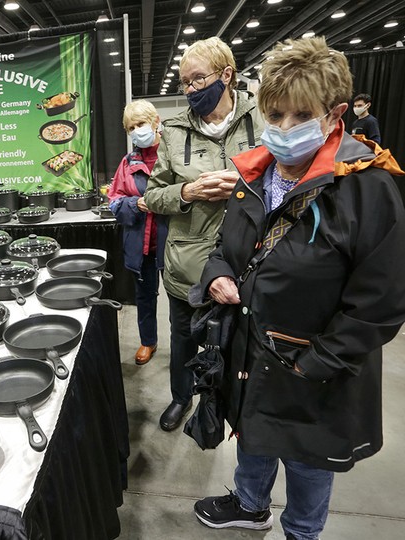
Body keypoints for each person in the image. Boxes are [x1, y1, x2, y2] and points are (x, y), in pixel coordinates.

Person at [193, 37, 405, 540]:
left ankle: (302, 531)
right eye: (275, 115)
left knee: (308, 459)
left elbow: (381, 302)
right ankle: (249, 504)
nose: (284, 129)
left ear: (334, 115)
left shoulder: (366, 188)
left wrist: (320, 362)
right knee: (252, 434)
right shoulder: (254, 175)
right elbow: (228, 247)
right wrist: (217, 272)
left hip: (315, 365)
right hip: (250, 347)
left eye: (299, 115)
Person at [143, 37, 263, 431]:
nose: (190, 89)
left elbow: (286, 179)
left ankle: (229, 403)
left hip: (246, 260)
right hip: (187, 263)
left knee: (239, 340)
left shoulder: (261, 118)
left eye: (198, 79)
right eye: (185, 82)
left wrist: (245, 185)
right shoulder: (175, 131)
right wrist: (186, 191)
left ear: (226, 75)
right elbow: (152, 195)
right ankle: (182, 398)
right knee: (183, 338)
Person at [108, 100, 168, 365]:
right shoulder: (128, 161)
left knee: (181, 299)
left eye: (141, 124)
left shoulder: (173, 154)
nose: (136, 131)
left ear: (155, 121)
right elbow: (114, 200)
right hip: (141, 245)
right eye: (131, 128)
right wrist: (135, 203)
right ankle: (148, 341)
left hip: (174, 241)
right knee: (145, 297)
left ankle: (185, 344)